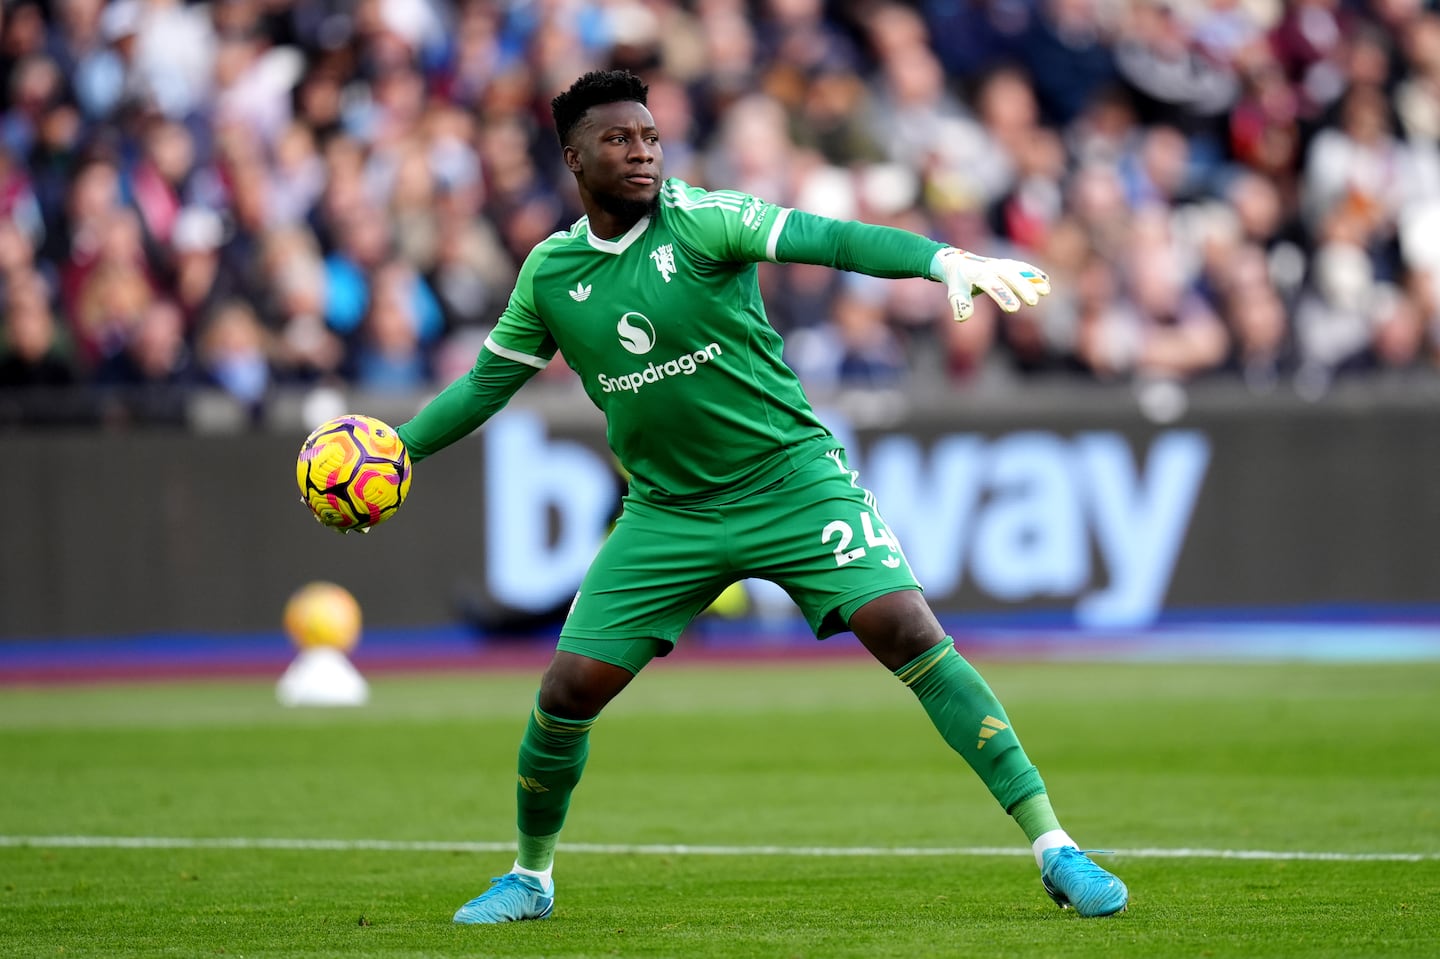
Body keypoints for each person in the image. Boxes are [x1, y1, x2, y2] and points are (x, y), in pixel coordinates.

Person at [380, 69, 1128, 922]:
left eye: (651, 137)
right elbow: (484, 384)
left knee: (908, 627)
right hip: (669, 511)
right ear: (573, 158)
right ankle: (530, 876)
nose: (643, 153)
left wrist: (943, 259)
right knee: (566, 690)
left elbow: (831, 239)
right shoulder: (552, 273)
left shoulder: (706, 219)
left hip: (793, 482)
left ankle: (1055, 846)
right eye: (620, 140)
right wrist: (401, 449)